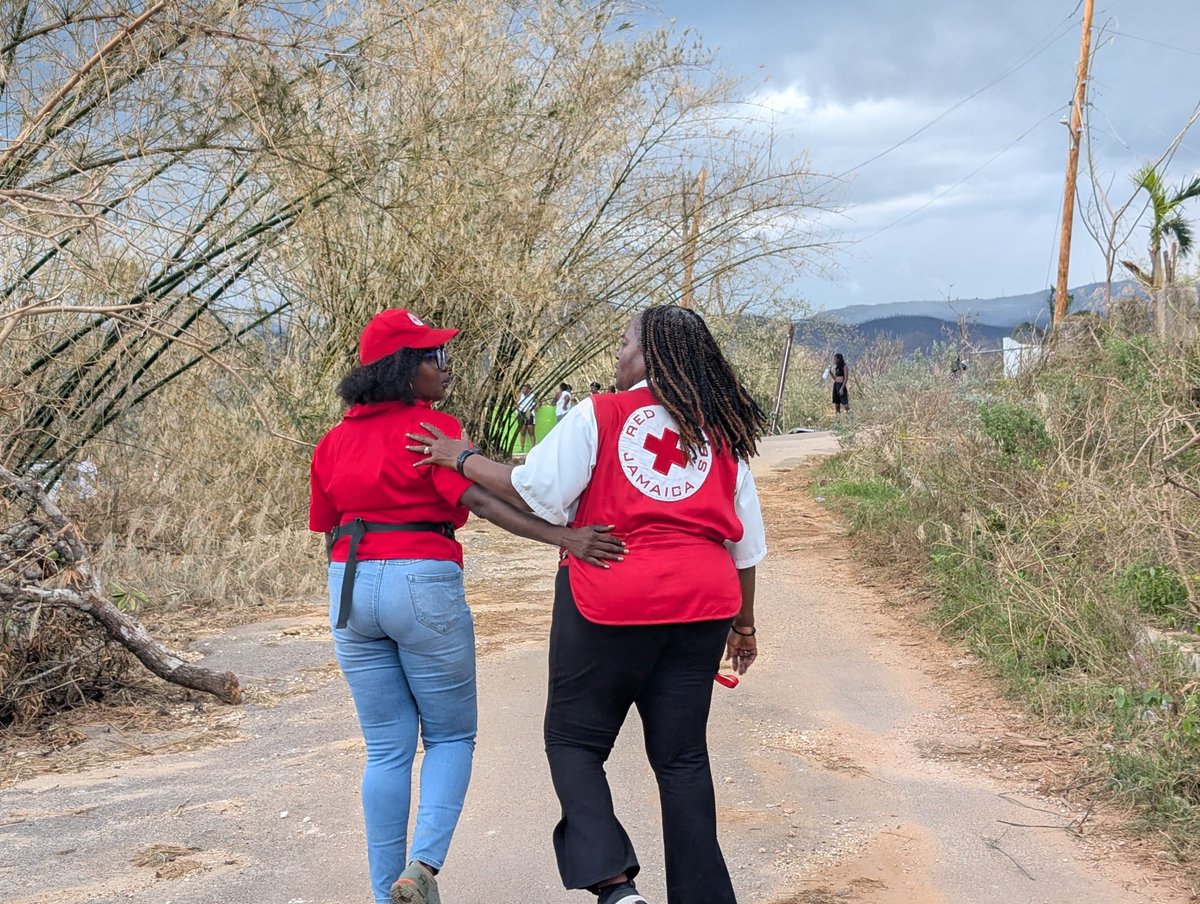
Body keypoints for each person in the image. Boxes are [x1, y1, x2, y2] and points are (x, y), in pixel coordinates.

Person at [407, 305, 767, 904]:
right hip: (704, 607)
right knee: (682, 761)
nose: (617, 356)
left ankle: (615, 887)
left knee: (573, 741)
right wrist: (745, 627)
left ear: (648, 354)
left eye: (625, 344)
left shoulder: (599, 414)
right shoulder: (722, 428)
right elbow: (745, 544)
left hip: (610, 598)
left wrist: (460, 458)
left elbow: (536, 489)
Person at [309, 309, 626, 904]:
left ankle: (387, 895)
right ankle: (422, 865)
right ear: (405, 369)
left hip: (348, 587)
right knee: (451, 737)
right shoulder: (430, 430)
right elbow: (480, 500)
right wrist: (567, 538)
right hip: (421, 577)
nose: (445, 368)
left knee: (385, 747)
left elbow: (326, 525)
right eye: (436, 357)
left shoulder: (332, 441)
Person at [516, 383, 538, 449]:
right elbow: (516, 403)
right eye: (522, 389)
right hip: (521, 412)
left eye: (525, 389)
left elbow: (538, 402)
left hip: (529, 412)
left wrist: (537, 406)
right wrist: (517, 407)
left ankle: (533, 448)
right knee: (522, 432)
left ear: (529, 389)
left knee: (531, 431)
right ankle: (522, 448)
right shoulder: (520, 395)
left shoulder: (532, 395)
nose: (523, 390)